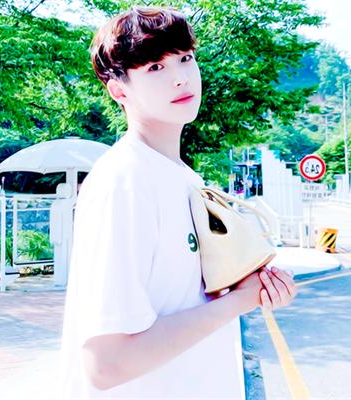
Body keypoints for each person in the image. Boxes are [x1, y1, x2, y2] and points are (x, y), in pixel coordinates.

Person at [57, 6, 297, 399]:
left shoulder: (182, 177)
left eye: (185, 58)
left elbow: (181, 301)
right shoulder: (124, 181)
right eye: (155, 67)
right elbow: (107, 364)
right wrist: (241, 300)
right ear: (119, 90)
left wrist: (250, 285)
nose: (180, 77)